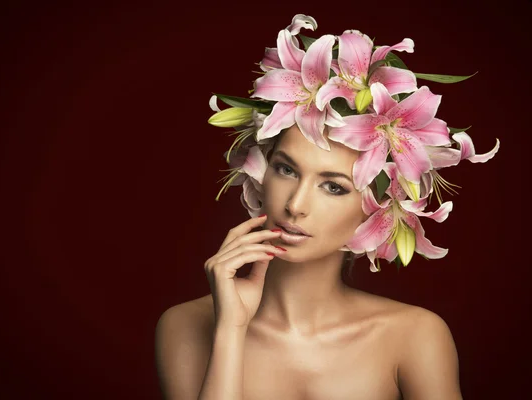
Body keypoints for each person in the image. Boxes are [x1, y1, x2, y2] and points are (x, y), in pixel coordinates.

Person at [155, 14, 498, 400]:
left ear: (379, 207)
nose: (296, 205)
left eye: (333, 187)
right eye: (286, 169)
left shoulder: (415, 335)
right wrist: (231, 331)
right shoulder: (185, 326)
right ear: (260, 173)